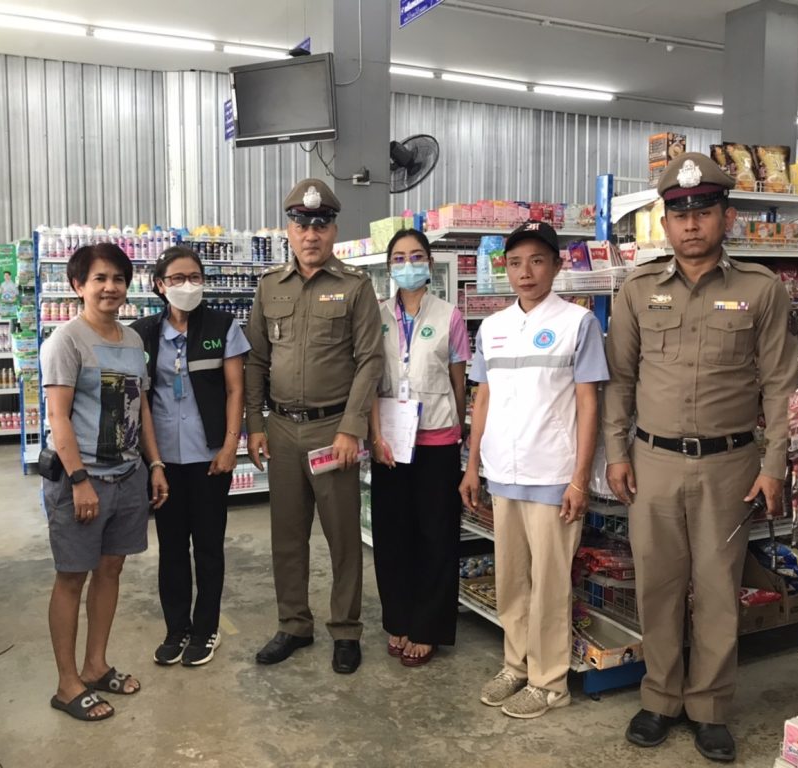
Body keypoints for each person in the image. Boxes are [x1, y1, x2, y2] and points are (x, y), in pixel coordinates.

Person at [602, 152, 798, 762]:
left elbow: (780, 385)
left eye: (704, 211)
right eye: (680, 214)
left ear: (726, 217)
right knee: (657, 586)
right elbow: (620, 381)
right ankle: (660, 697)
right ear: (665, 223)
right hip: (653, 462)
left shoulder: (760, 289)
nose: (691, 224)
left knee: (717, 590)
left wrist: (773, 465)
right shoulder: (637, 290)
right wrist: (616, 453)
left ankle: (709, 706)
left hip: (730, 465)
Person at [460, 221, 608, 720]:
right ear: (505, 268)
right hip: (503, 472)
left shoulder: (577, 323)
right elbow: (482, 399)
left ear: (557, 266)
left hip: (552, 474)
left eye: (537, 261)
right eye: (516, 262)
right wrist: (473, 465)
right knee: (512, 580)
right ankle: (515, 665)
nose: (526, 272)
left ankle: (549, 682)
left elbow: (588, 404)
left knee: (549, 584)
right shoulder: (494, 327)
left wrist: (579, 478)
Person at [245, 178, 383, 674]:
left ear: (333, 231)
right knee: (286, 536)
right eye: (302, 225)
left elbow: (370, 361)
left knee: (343, 538)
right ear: (289, 229)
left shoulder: (356, 287)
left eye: (321, 225)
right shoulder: (269, 287)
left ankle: (345, 629)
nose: (311, 234)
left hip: (332, 432)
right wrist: (254, 424)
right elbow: (256, 360)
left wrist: (352, 428)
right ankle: (293, 624)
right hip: (282, 430)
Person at [41, 242, 168, 722]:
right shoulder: (66, 341)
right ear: (78, 285)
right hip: (83, 479)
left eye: (118, 278)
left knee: (111, 570)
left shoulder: (133, 341)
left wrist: (155, 464)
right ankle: (66, 682)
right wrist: (79, 480)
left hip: (128, 475)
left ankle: (95, 665)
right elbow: (58, 416)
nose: (110, 287)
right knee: (72, 577)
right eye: (99, 278)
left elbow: (142, 407)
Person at [131, 246, 250, 668]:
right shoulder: (142, 333)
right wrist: (153, 462)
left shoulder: (222, 325)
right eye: (178, 278)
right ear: (160, 285)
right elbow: (140, 399)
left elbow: (236, 389)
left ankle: (206, 628)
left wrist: (230, 446)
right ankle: (176, 628)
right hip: (163, 459)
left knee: (209, 546)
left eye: (195, 277)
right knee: (171, 548)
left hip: (209, 455)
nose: (188, 285)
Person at [369, 228, 469, 666]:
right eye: (399, 257)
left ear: (429, 263)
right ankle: (399, 619)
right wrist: (375, 436)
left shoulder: (450, 316)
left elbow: (458, 382)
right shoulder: (376, 316)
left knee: (436, 535)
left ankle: (428, 627)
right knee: (392, 534)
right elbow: (369, 381)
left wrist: (457, 430)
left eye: (415, 256)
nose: (407, 264)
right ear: (389, 267)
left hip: (437, 441)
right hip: (390, 442)